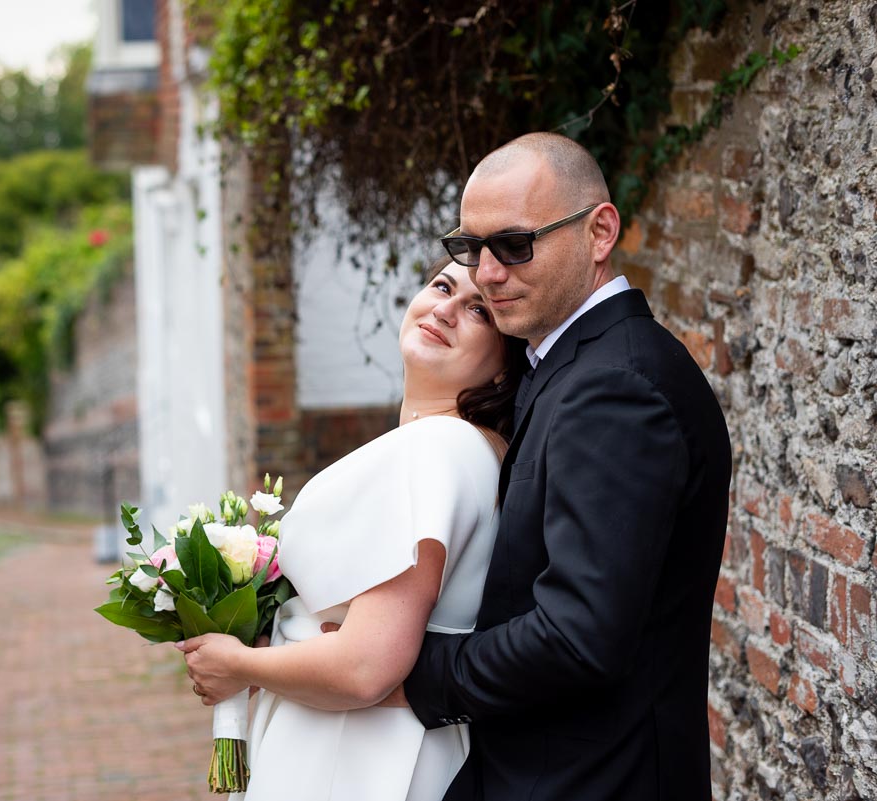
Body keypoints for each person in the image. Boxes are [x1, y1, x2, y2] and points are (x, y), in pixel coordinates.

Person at [402, 132, 732, 801]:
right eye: (470, 247)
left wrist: (415, 669)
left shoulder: (617, 385)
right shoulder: (571, 366)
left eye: (514, 245)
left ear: (600, 231)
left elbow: (577, 635)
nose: (487, 271)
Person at [177, 256, 528, 801]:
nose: (447, 309)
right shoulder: (471, 448)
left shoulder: (433, 449)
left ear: (505, 363)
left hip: (357, 757)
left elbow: (367, 666)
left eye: (478, 309)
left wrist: (238, 663)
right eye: (441, 286)